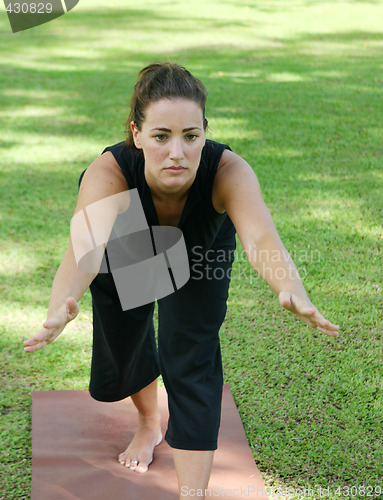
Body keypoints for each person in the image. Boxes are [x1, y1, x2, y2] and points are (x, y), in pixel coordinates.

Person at [24, 63, 339, 500]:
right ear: (137, 134)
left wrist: (290, 287)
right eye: (161, 136)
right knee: (126, 335)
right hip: (128, 234)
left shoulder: (228, 171)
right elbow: (84, 249)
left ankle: (193, 494)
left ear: (204, 132)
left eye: (191, 136)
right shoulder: (110, 175)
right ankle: (150, 422)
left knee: (191, 352)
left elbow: (262, 236)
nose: (177, 152)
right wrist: (62, 304)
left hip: (201, 244)